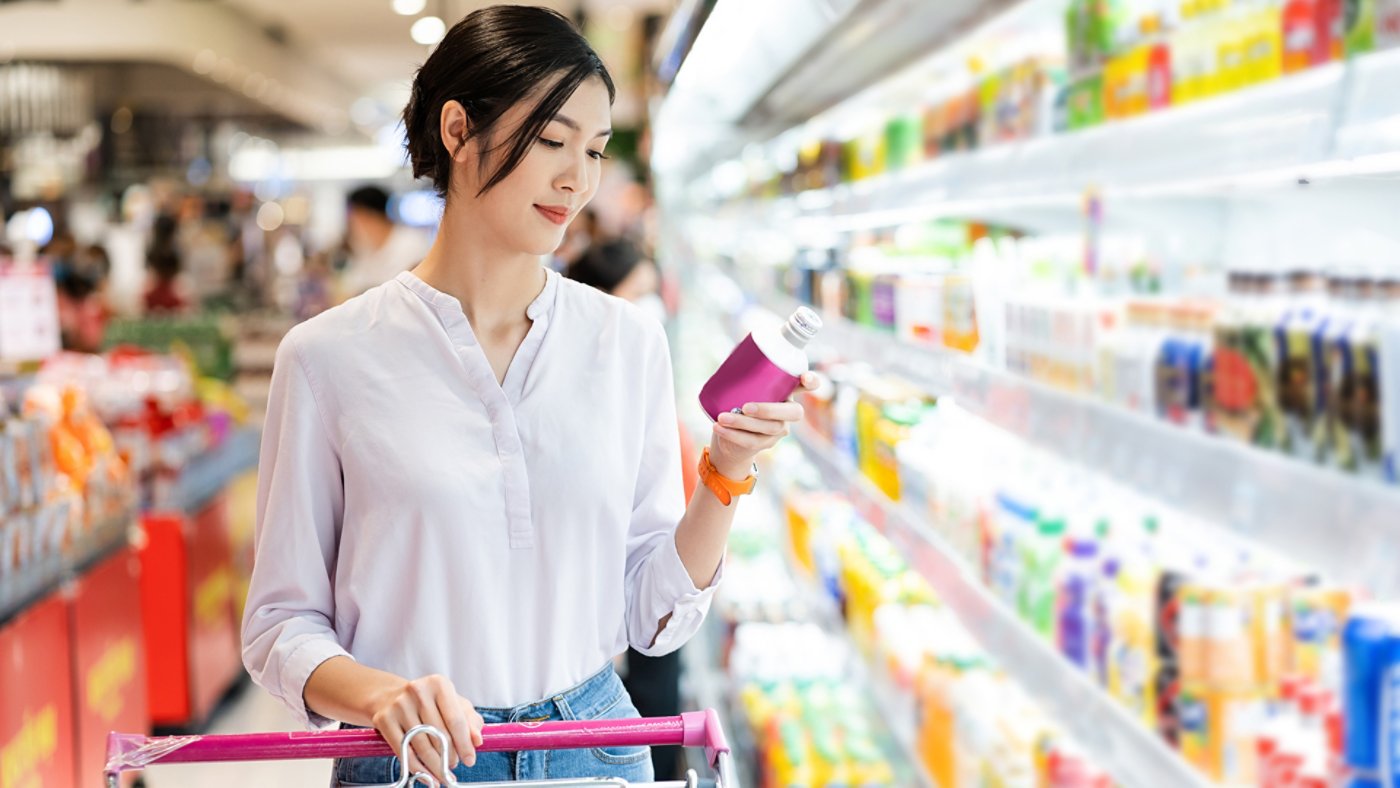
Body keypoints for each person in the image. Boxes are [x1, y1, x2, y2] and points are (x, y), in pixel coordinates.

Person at [240, 7, 814, 787]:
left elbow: (653, 615)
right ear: (457, 130)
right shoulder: (327, 359)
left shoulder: (626, 342)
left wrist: (725, 472)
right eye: (552, 141)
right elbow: (279, 626)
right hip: (416, 760)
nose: (578, 178)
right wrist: (379, 695)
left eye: (597, 150)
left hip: (598, 747)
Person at [565, 238, 689, 780]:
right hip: (592, 658)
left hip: (670, 562)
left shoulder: (643, 357)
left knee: (661, 661)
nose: (652, 306)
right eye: (638, 293)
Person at [340, 184, 432, 297]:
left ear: (367, 215)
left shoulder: (412, 243)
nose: (351, 225)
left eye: (353, 218)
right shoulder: (363, 247)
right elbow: (353, 289)